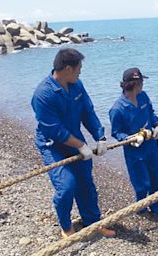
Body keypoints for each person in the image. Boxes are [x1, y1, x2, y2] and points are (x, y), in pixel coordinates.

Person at [31, 48, 116, 238]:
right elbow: (55, 130)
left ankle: (92, 222)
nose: (80, 72)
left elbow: (88, 111)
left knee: (86, 183)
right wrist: (80, 145)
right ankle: (66, 226)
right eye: (79, 68)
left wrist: (100, 137)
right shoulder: (43, 95)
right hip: (52, 145)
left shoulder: (77, 85)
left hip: (75, 139)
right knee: (67, 185)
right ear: (68, 69)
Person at [109, 68, 158, 221]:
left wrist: (157, 125)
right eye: (141, 82)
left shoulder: (143, 97)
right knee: (142, 182)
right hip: (135, 151)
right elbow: (116, 132)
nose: (142, 85)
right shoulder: (117, 109)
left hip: (151, 146)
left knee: (156, 179)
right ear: (135, 84)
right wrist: (130, 139)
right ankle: (141, 208)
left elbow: (151, 113)